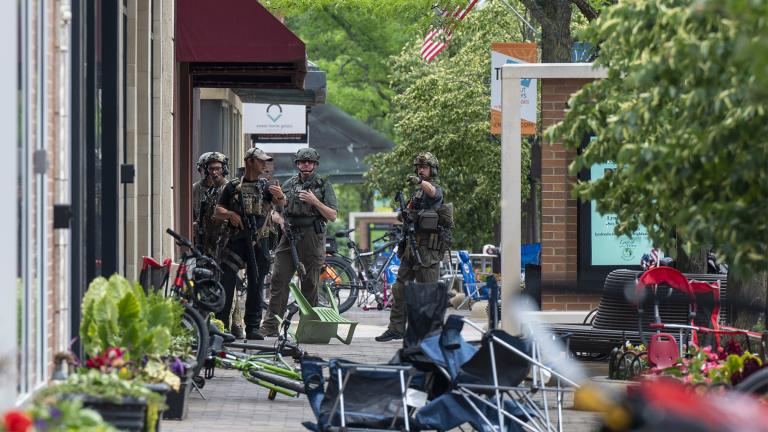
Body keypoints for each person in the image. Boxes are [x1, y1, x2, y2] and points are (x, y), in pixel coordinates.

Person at [257, 147, 337, 338]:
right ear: (297, 164)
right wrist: (281, 221)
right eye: (302, 162)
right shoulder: (289, 184)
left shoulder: (323, 184)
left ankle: (308, 327)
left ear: (315, 164)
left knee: (310, 282)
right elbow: (274, 210)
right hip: (289, 235)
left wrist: (315, 201)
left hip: (312, 237)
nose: (306, 165)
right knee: (278, 278)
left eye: (309, 162)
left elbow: (332, 215)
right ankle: (270, 325)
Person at [214, 147, 286, 339]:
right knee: (227, 283)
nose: (265, 164)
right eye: (261, 161)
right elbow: (217, 210)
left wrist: (279, 195)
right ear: (249, 161)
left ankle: (253, 328)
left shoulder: (266, 186)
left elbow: (281, 203)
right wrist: (231, 214)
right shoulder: (232, 186)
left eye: (266, 161)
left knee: (256, 283)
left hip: (259, 242)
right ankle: (222, 327)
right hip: (236, 241)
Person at [376, 152, 445, 342]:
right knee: (399, 288)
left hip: (428, 249)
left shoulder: (434, 189)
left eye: (424, 167)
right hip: (410, 246)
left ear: (432, 169)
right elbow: (404, 215)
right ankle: (396, 328)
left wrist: (419, 182)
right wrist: (404, 214)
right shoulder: (417, 194)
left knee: (427, 292)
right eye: (419, 167)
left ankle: (429, 334)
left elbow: (432, 191)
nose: (421, 170)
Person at [194, 152, 229, 255]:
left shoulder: (229, 188)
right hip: (207, 242)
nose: (214, 173)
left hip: (224, 242)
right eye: (210, 169)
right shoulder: (206, 191)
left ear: (224, 169)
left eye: (217, 169)